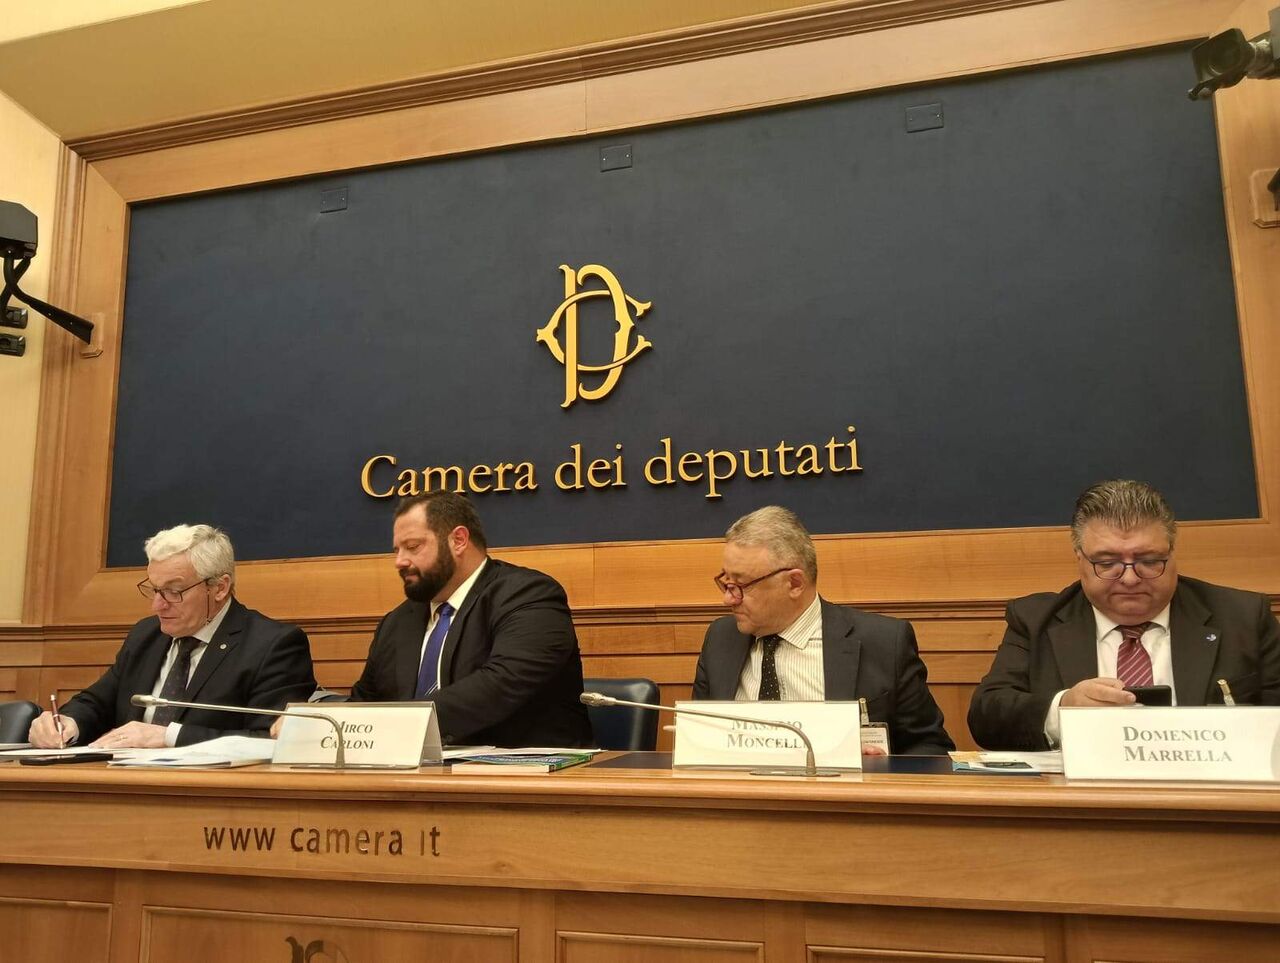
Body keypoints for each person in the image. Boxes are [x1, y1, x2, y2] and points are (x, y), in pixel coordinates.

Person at [968, 479, 1280, 751]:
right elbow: (987, 717)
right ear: (1080, 559)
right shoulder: (1035, 620)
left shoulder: (1242, 617)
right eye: (1107, 563)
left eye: (1149, 560)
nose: (1130, 578)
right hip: (1080, 795)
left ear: (1172, 553)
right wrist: (1063, 708)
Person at [692, 505, 954, 755]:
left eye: (741, 586)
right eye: (726, 582)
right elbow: (696, 741)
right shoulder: (720, 640)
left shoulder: (883, 643)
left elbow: (931, 748)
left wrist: (881, 767)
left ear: (795, 583)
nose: (728, 599)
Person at [28, 524, 315, 749]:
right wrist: (67, 722)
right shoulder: (146, 635)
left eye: (173, 592)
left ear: (219, 588)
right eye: (155, 590)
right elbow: (96, 702)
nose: (158, 605)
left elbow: (269, 738)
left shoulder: (272, 645)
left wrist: (168, 736)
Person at [343, 492, 593, 747]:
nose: (399, 562)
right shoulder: (396, 623)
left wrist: (400, 725)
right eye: (397, 550)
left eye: (413, 546)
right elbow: (364, 702)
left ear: (459, 540)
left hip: (522, 768)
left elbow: (501, 685)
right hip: (410, 768)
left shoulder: (529, 595)